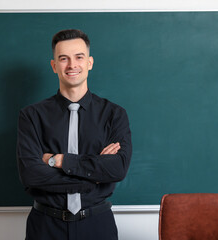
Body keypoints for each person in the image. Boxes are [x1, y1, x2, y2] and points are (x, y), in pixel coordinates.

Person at [17, 29, 132, 240]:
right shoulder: (31, 115)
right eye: (63, 59)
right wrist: (94, 176)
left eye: (79, 57)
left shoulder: (114, 114)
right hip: (45, 226)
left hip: (98, 225)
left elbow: (117, 169)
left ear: (89, 62)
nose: (72, 65)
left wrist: (59, 160)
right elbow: (31, 174)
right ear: (54, 66)